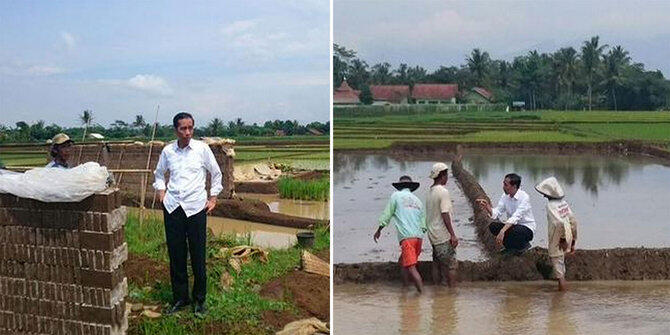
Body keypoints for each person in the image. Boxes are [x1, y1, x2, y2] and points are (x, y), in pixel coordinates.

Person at [153, 112, 223, 316]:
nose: (187, 132)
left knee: (198, 255)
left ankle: (199, 300)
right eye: (183, 128)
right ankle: (180, 298)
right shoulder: (168, 151)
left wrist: (213, 198)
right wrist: (161, 192)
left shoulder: (202, 149)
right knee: (176, 255)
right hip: (173, 208)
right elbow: (159, 174)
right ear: (176, 130)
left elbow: (216, 173)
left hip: (196, 209)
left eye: (190, 128)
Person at [373, 175, 426, 293]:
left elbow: (387, 214)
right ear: (411, 188)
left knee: (411, 267)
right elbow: (423, 223)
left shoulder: (396, 196)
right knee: (403, 261)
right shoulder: (417, 200)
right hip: (418, 238)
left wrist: (379, 229)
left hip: (407, 237)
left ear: (399, 187)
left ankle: (421, 295)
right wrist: (419, 233)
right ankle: (405, 287)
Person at [535, 177, 578, 291]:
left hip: (557, 238)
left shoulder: (551, 206)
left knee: (559, 272)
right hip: (568, 234)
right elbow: (573, 221)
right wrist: (572, 241)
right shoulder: (563, 203)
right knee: (560, 264)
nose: (544, 195)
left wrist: (562, 240)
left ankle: (561, 297)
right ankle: (561, 294)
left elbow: (558, 223)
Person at [476, 173, 536, 254]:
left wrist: (503, 231)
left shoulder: (524, 197)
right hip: (513, 227)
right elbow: (497, 213)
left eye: (506, 185)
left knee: (515, 230)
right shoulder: (505, 196)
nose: (503, 187)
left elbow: (516, 217)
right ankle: (510, 248)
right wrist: (488, 207)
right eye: (503, 184)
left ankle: (523, 246)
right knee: (493, 226)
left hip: (526, 229)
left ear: (514, 186)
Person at [425, 163, 459, 286]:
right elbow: (445, 214)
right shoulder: (443, 192)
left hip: (433, 234)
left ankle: (437, 291)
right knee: (451, 265)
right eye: (446, 175)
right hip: (442, 235)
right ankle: (452, 293)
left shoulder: (430, 191)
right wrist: (453, 235)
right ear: (442, 176)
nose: (447, 178)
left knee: (436, 263)